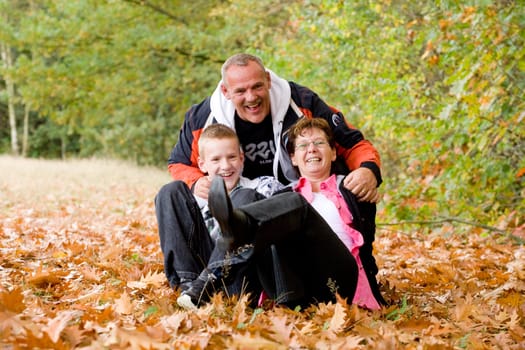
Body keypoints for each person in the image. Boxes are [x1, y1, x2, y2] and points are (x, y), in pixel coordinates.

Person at [182, 118, 386, 310]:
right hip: (294, 289)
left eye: (319, 143)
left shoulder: (350, 187)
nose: (312, 149)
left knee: (296, 205)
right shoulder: (282, 194)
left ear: (333, 152)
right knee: (247, 196)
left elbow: (367, 203)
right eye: (303, 145)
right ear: (293, 158)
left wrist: (369, 181)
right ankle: (233, 234)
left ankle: (233, 238)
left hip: (338, 283)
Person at [167, 53, 382, 204]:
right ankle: (194, 270)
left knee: (355, 183)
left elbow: (352, 143)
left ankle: (358, 265)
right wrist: (195, 182)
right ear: (225, 91)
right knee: (172, 194)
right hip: (234, 200)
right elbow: (179, 162)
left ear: (268, 80)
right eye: (241, 91)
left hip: (298, 199)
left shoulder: (302, 102)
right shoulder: (202, 118)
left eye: (257, 86)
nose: (251, 97)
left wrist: (368, 170)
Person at [154, 124, 283, 307]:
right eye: (216, 160)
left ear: (241, 158)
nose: (225, 166)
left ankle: (205, 283)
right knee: (170, 191)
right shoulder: (192, 199)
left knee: (244, 196)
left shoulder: (262, 186)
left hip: (243, 280)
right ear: (202, 164)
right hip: (196, 279)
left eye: (231, 157)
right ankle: (188, 287)